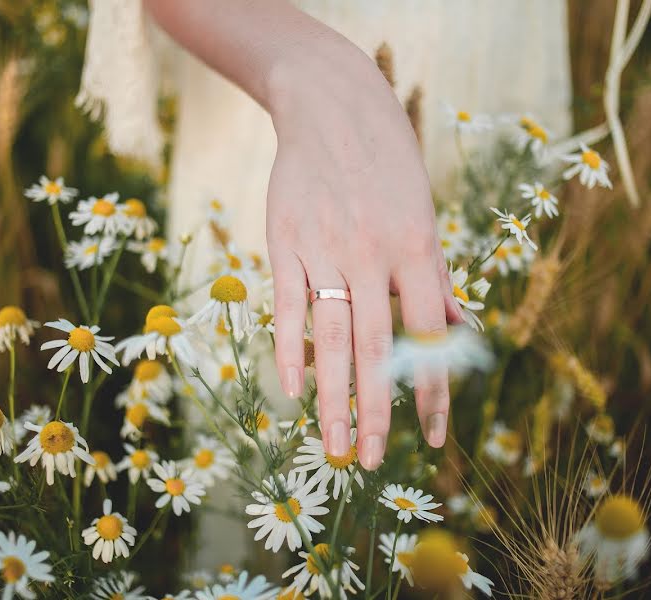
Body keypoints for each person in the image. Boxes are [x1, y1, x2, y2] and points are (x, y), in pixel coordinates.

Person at [78, 0, 573, 471]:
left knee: (459, 461)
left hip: (477, 109)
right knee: (262, 456)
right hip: (282, 142)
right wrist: (305, 68)